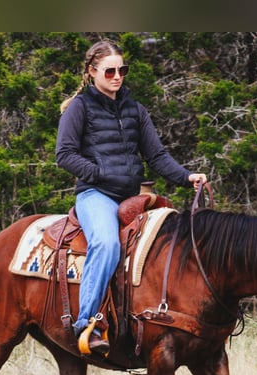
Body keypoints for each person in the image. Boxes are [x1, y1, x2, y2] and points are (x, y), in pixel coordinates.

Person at [56, 39, 207, 356]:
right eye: (109, 70)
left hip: (134, 197)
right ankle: (87, 323)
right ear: (92, 71)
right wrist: (98, 173)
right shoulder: (80, 108)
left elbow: (157, 156)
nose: (116, 76)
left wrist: (186, 176)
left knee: (171, 245)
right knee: (107, 244)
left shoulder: (135, 110)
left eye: (122, 69)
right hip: (96, 195)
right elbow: (65, 155)